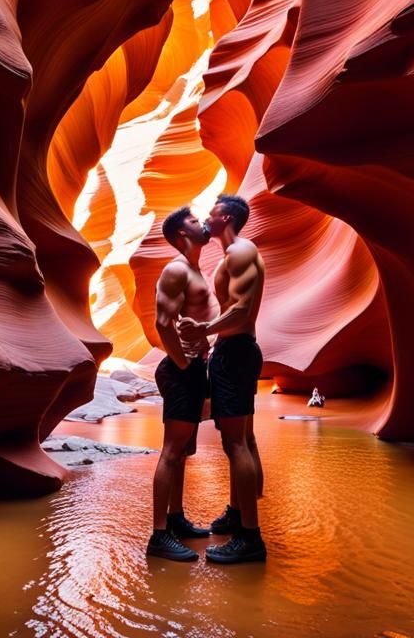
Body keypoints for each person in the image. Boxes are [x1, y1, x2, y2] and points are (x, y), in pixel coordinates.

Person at [178, 193, 266, 564]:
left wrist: (204, 330)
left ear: (225, 216)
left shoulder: (241, 252)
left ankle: (250, 537)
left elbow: (242, 311)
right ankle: (237, 512)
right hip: (234, 352)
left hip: (237, 352)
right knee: (243, 437)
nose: (204, 218)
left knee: (235, 445)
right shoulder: (234, 253)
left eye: (210, 213)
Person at [146, 206, 216, 562]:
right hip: (180, 371)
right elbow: (162, 323)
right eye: (193, 220)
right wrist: (185, 363)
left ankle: (175, 519)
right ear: (181, 236)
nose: (202, 222)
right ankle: (159, 536)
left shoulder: (195, 270)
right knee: (171, 453)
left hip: (192, 370)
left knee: (184, 453)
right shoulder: (176, 269)